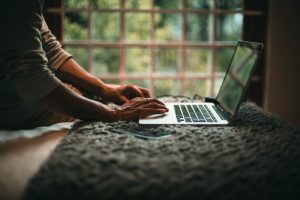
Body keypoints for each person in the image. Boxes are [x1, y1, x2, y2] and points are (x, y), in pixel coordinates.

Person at [0, 0, 168, 129]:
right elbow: (32, 78)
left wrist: (106, 89)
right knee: (102, 110)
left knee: (95, 98)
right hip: (10, 106)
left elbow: (49, 48)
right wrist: (115, 114)